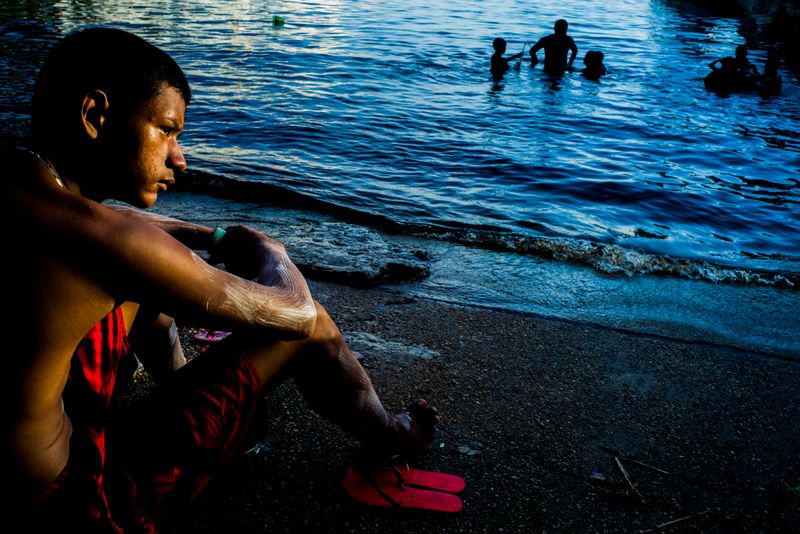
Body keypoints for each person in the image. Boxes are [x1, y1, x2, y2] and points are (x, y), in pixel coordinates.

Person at [0, 26, 439, 532]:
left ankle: (203, 405)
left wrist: (212, 235)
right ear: (96, 115)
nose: (178, 157)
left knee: (149, 298)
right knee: (313, 324)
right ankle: (391, 435)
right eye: (166, 129)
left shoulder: (27, 191)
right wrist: (265, 250)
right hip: (77, 504)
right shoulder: (108, 246)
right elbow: (293, 313)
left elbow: (115, 231)